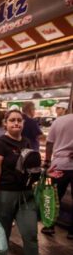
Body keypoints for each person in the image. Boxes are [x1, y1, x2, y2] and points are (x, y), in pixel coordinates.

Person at [0, 109, 53, 255]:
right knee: (3, 233)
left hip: (26, 195)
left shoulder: (26, 142)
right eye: (12, 120)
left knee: (30, 234)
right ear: (5, 123)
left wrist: (46, 173)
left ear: (23, 123)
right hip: (5, 194)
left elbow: (30, 168)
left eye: (19, 120)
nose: (16, 123)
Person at [41, 102, 73, 238]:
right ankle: (72, 232)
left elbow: (49, 143)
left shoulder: (59, 121)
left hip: (58, 164)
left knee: (53, 197)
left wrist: (47, 161)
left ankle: (49, 226)